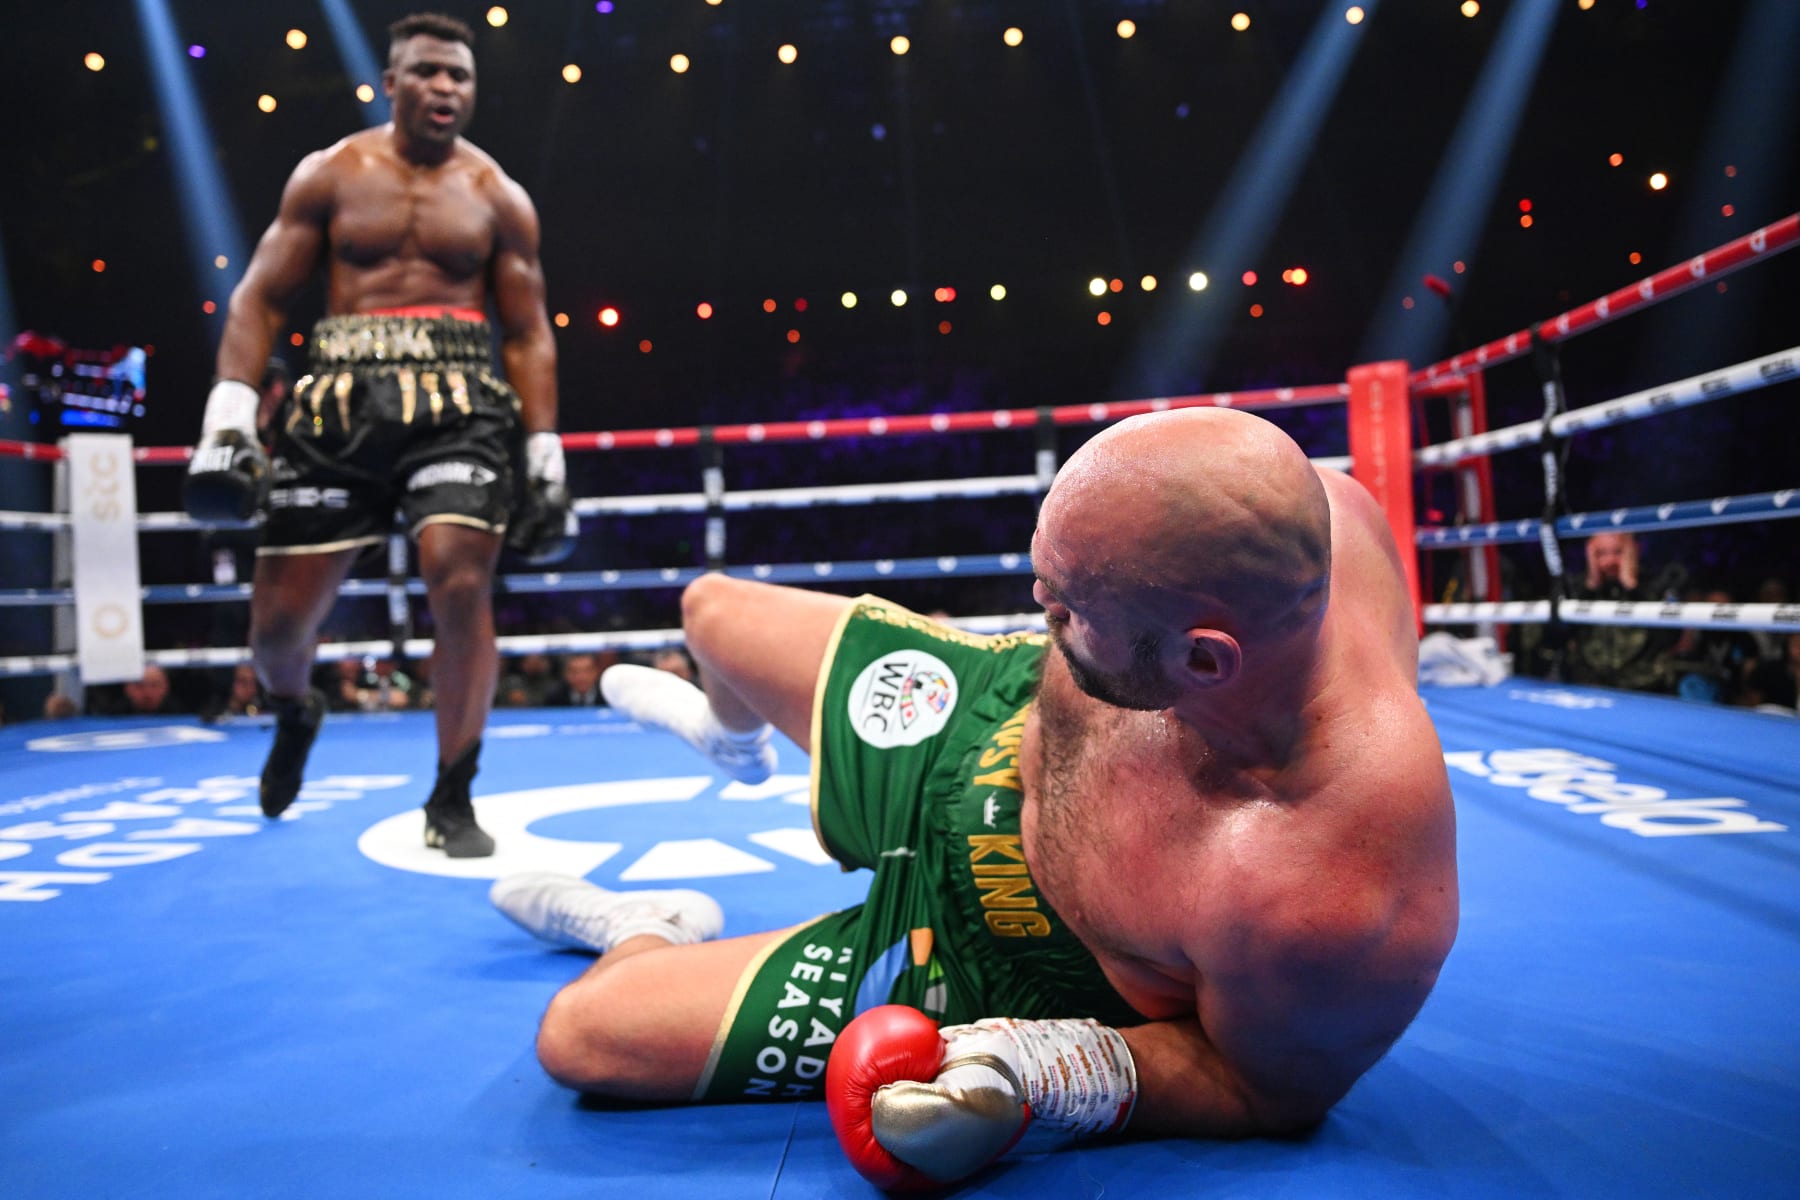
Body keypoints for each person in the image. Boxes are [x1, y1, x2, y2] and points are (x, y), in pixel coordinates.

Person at [491, 408, 1459, 1188]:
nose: (1044, 610)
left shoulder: (1331, 897)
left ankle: (645, 923)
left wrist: (1045, 1072)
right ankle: (732, 744)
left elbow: (1264, 1095)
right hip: (984, 721)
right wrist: (1082, 622)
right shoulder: (1320, 512)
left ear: (1208, 660)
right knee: (710, 611)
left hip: (986, 955)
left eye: (1069, 610)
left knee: (583, 1037)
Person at [181, 12, 569, 857]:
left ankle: (453, 794)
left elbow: (529, 331)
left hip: (461, 402)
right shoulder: (330, 176)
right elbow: (259, 297)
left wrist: (544, 452)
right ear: (390, 82)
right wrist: (230, 417)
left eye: (460, 77)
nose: (445, 89)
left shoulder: (498, 195)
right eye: (428, 72)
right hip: (337, 405)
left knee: (458, 577)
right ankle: (294, 707)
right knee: (279, 628)